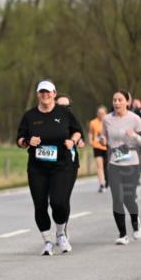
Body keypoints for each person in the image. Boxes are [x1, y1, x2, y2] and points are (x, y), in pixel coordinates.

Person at [16, 80, 82, 255]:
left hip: (61, 166)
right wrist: (28, 141)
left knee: (58, 203)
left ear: (54, 94)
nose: (45, 95)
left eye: (48, 92)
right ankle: (47, 240)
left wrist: (72, 141)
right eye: (42, 92)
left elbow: (77, 130)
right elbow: (20, 140)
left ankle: (60, 233)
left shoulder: (64, 113)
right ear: (38, 95)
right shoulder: (29, 116)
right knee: (40, 204)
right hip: (37, 168)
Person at [103, 90, 141, 245]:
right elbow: (104, 138)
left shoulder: (135, 119)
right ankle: (122, 234)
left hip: (132, 163)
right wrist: (103, 140)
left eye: (120, 100)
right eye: (114, 100)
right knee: (117, 198)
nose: (116, 103)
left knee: (129, 197)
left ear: (127, 102)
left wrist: (135, 136)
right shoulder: (107, 119)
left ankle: (135, 222)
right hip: (114, 163)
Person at [55, 93, 85, 233]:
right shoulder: (47, 118)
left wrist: (77, 141)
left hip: (70, 165)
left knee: (64, 198)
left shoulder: (72, 119)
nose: (64, 109)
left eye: (67, 106)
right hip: (50, 165)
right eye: (61, 106)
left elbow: (79, 134)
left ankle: (62, 229)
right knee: (54, 200)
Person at [88, 106, 109, 192]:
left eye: (103, 113)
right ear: (97, 114)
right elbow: (90, 133)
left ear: (106, 114)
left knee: (106, 166)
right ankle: (102, 184)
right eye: (99, 113)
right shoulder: (93, 122)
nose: (101, 115)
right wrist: (90, 141)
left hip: (107, 146)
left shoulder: (109, 122)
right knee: (99, 166)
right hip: (97, 146)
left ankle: (107, 180)